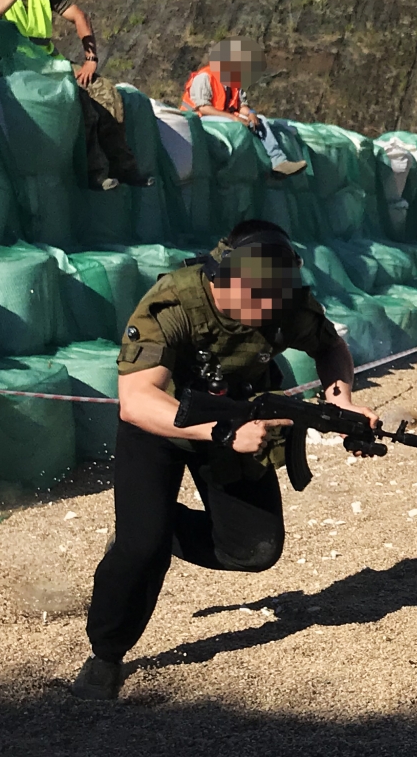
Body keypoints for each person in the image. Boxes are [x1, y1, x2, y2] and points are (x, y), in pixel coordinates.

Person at [71, 220, 378, 700]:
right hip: (162, 423)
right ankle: (105, 655)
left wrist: (341, 401)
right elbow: (135, 399)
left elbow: (329, 346)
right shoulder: (174, 303)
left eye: (274, 300)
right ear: (222, 279)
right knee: (140, 549)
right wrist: (221, 432)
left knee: (255, 550)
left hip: (241, 416)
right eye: (255, 299)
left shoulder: (282, 298)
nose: (266, 312)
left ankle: (158, 527)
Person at [0, 0, 149, 191]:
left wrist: (90, 60)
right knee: (79, 101)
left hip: (50, 61)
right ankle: (93, 173)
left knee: (106, 93)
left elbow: (78, 15)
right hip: (16, 64)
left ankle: (124, 166)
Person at [181, 40, 307, 177]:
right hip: (198, 119)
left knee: (261, 120)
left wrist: (251, 113)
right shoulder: (205, 76)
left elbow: (241, 105)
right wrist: (234, 118)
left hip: (221, 117)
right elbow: (203, 108)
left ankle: (278, 162)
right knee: (236, 126)